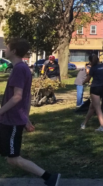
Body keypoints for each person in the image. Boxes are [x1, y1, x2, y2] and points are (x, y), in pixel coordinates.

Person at [0, 38, 61, 185]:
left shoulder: (20, 69)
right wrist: (26, 119)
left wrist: (1, 112)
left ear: (13, 51)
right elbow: (26, 99)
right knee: (10, 157)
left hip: (12, 121)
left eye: (7, 48)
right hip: (11, 119)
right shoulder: (22, 68)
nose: (5, 50)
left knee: (13, 158)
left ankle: (50, 178)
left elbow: (18, 97)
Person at [81, 54, 103, 132]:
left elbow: (88, 79)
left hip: (95, 89)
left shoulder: (93, 68)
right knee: (92, 107)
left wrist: (83, 82)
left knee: (97, 108)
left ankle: (102, 126)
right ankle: (84, 123)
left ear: (91, 61)